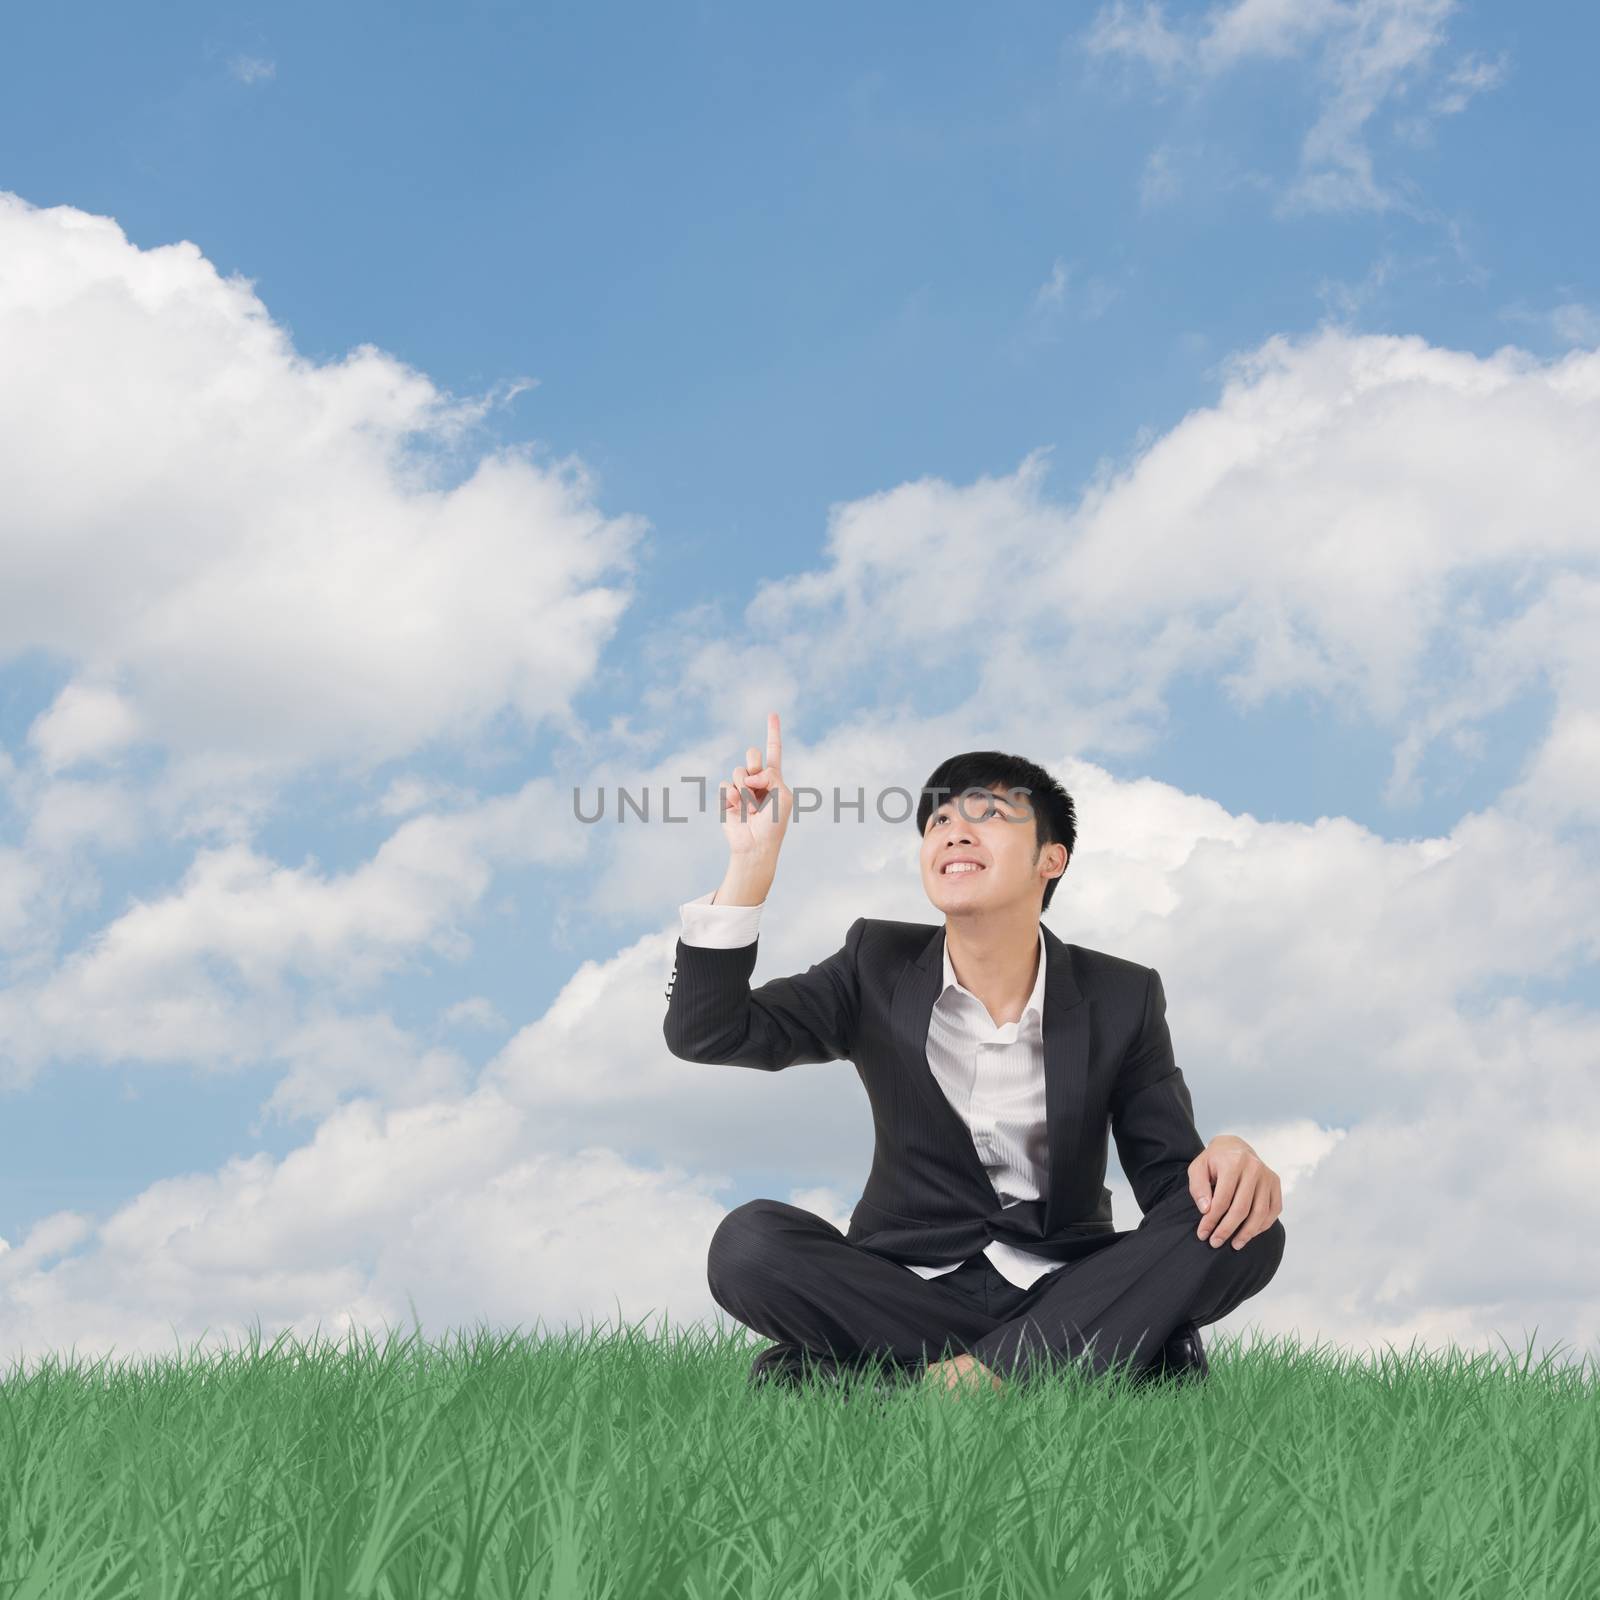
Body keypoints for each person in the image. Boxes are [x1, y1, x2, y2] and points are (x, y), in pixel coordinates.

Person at [663, 712, 1285, 1398]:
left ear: (1051, 859)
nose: (954, 829)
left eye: (988, 815)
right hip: (906, 1284)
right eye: (937, 822)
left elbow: (1172, 1186)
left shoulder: (1122, 996)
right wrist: (750, 868)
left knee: (1247, 1226)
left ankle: (899, 1386)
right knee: (749, 1243)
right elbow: (708, 1033)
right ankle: (1100, 1359)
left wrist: (1225, 1156)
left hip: (1066, 1278)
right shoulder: (874, 964)